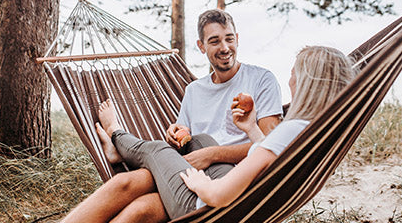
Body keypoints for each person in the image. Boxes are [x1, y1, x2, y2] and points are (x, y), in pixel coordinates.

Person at [62, 45, 356, 222]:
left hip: (204, 208)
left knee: (158, 151)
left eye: (294, 74)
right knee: (201, 141)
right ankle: (150, 161)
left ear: (307, 82)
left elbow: (218, 194)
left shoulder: (290, 128)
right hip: (244, 208)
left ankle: (116, 134)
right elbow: (273, 162)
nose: (290, 80)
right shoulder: (315, 130)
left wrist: (198, 182)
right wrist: (251, 129)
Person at [62, 9, 283, 222]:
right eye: (215, 41)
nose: (225, 47)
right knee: (130, 193)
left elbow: (271, 147)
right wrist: (176, 133)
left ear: (237, 39)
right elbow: (186, 139)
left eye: (229, 39)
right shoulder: (194, 90)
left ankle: (118, 139)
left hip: (234, 181)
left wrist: (212, 155)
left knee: (134, 198)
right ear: (201, 46)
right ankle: (119, 149)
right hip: (190, 173)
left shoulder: (261, 80)